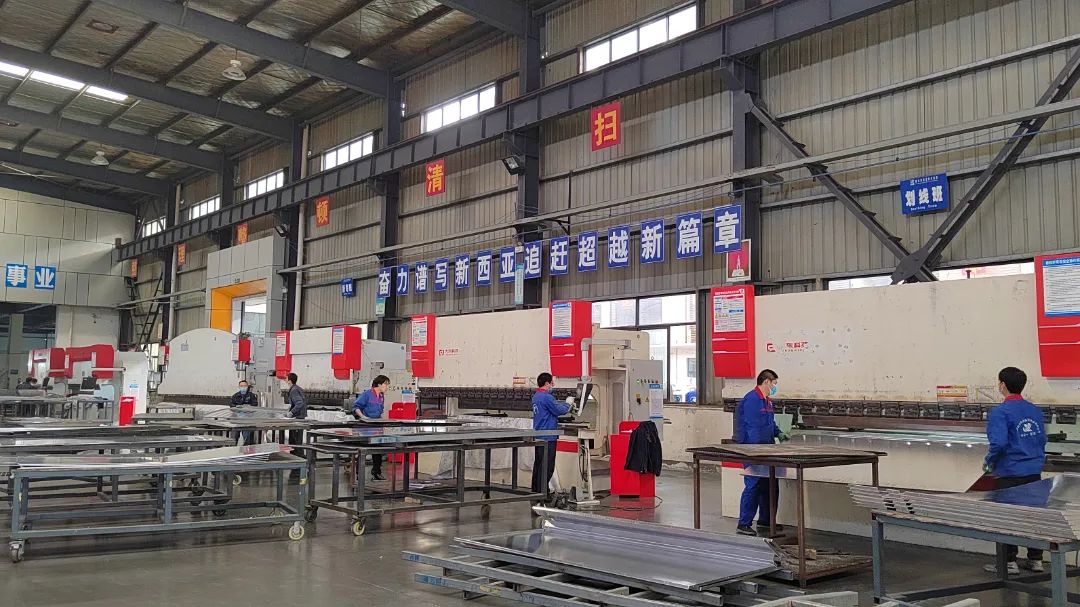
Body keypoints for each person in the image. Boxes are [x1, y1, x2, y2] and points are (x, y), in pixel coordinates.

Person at [983, 367, 1047, 575]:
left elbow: (999, 443)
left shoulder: (1000, 412)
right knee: (1032, 516)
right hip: (1033, 472)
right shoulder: (1035, 411)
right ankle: (1036, 560)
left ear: (1002, 385)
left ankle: (1008, 562)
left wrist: (989, 462)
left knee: (1007, 518)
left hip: (1009, 472)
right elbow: (1041, 439)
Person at [734, 369, 788, 536]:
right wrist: (758, 451)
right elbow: (753, 427)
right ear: (766, 382)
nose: (775, 387)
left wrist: (778, 433)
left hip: (766, 449)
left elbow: (769, 423)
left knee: (770, 484)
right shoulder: (752, 400)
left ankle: (766, 520)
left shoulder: (767, 401)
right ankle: (743, 524)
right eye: (774, 384)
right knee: (754, 484)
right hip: (753, 450)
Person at [531, 372, 570, 498]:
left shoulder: (536, 396)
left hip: (538, 434)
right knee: (547, 466)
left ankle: (536, 491)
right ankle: (543, 493)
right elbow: (558, 410)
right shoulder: (547, 397)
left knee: (539, 465)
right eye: (551, 383)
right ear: (547, 383)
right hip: (548, 436)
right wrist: (568, 404)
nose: (553, 385)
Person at [353, 375, 391, 481]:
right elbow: (356, 407)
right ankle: (359, 474)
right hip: (365, 427)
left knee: (378, 451)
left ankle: (376, 472)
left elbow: (380, 410)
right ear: (379, 384)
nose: (387, 387)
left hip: (377, 427)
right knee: (363, 451)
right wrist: (363, 417)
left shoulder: (381, 396)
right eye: (386, 384)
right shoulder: (367, 394)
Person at [230, 380, 259, 445]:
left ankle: (246, 449)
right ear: (239, 387)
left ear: (247, 386)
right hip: (237, 420)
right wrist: (237, 408)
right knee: (234, 437)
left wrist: (247, 408)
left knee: (247, 438)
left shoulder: (251, 396)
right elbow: (231, 405)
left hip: (247, 421)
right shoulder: (235, 396)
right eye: (241, 386)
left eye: (245, 386)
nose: (243, 387)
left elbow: (255, 405)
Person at [285, 373, 307, 446]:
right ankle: (297, 451)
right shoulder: (297, 388)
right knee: (297, 440)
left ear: (290, 381)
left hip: (297, 418)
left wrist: (291, 412)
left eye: (286, 378)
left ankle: (297, 452)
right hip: (299, 417)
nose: (285, 380)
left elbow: (299, 403)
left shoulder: (294, 390)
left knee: (295, 440)